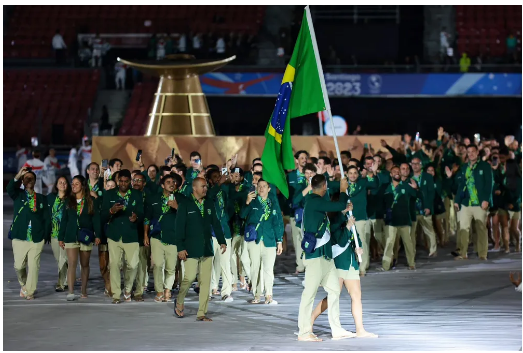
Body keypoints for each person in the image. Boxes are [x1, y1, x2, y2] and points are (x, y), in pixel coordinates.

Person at [297, 174, 355, 342]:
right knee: (309, 294)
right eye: (326, 187)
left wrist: (342, 207)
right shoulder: (313, 200)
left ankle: (336, 329)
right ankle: (304, 332)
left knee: (335, 291)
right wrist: (343, 190)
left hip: (325, 256)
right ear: (324, 187)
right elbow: (338, 203)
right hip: (315, 256)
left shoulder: (316, 201)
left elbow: (335, 207)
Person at [310, 197, 377, 338]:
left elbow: (356, 237)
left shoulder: (349, 218)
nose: (349, 205)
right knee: (332, 297)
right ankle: (309, 321)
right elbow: (339, 242)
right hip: (338, 263)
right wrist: (347, 226)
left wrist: (358, 248)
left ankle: (360, 329)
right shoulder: (333, 220)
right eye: (346, 203)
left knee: (356, 296)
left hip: (351, 263)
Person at [174, 177, 227, 321]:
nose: (205, 189)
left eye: (206, 186)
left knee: (205, 281)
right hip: (190, 248)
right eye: (203, 186)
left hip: (206, 248)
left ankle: (201, 313)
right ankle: (179, 300)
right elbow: (179, 228)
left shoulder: (209, 203)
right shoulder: (185, 204)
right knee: (189, 277)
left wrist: (222, 241)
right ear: (194, 188)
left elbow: (216, 223)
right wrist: (180, 247)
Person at [101, 169, 144, 304]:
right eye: (121, 181)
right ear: (118, 181)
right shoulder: (109, 194)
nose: (123, 184)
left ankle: (127, 289)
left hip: (131, 234)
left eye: (126, 181)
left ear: (130, 182)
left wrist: (136, 217)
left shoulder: (137, 194)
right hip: (114, 235)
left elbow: (142, 213)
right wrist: (111, 211)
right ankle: (116, 295)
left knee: (133, 265)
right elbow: (102, 215)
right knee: (114, 264)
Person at [8, 167, 51, 300]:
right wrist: (19, 173)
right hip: (20, 236)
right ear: (22, 181)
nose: (29, 180)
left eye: (31, 178)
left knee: (34, 266)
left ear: (35, 181)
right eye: (26, 178)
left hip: (36, 238)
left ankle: (30, 291)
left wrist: (45, 234)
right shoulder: (18, 195)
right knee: (18, 266)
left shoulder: (42, 199)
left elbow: (46, 218)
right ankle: (24, 286)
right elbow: (10, 188)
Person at [241, 179, 284, 304]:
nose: (261, 189)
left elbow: (278, 223)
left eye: (264, 186)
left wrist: (279, 241)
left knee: (268, 269)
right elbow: (242, 215)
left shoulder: (273, 203)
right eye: (259, 186)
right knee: (255, 268)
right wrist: (247, 202)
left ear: (269, 189)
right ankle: (257, 294)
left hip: (269, 240)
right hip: (254, 240)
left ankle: (268, 295)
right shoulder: (253, 202)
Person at [58, 175, 101, 301]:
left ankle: (83, 290)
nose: (74, 186)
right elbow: (64, 220)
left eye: (77, 184)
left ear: (83, 185)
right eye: (73, 184)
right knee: (72, 263)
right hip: (71, 236)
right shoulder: (68, 201)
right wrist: (61, 237)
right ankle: (71, 292)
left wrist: (97, 235)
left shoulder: (90, 201)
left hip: (86, 236)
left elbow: (96, 219)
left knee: (85, 264)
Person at [144, 174, 182, 302]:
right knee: (158, 265)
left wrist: (177, 207)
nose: (172, 184)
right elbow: (147, 218)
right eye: (168, 182)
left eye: (174, 182)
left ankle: (167, 290)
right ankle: (159, 291)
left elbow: (186, 218)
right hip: (157, 236)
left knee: (171, 267)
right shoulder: (153, 198)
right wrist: (145, 234)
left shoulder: (181, 199)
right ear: (162, 185)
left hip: (173, 236)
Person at [452, 145, 493, 260]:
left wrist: (486, 200)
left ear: (477, 152)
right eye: (468, 152)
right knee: (464, 228)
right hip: (466, 203)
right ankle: (463, 253)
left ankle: (482, 254)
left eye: (472, 152)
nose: (470, 154)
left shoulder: (484, 166)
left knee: (481, 228)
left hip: (479, 203)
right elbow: (461, 185)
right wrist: (457, 201)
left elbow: (489, 184)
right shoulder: (465, 167)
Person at [380, 166, 418, 271]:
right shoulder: (386, 188)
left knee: (408, 243)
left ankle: (411, 263)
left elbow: (417, 197)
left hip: (404, 219)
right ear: (391, 174)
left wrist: (416, 189)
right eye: (394, 172)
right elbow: (382, 203)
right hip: (391, 220)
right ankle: (386, 265)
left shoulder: (407, 186)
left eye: (398, 171)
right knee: (389, 243)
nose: (397, 173)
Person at [345, 162, 379, 276]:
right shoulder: (343, 184)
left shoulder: (363, 183)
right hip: (347, 218)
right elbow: (329, 185)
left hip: (360, 218)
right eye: (350, 173)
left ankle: (363, 267)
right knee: (348, 243)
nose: (353, 175)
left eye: (355, 173)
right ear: (347, 174)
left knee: (362, 243)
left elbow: (374, 184)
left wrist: (372, 173)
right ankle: (352, 265)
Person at [207, 169, 234, 302]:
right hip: (211, 233)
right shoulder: (207, 192)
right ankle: (209, 289)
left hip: (225, 232)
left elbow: (231, 207)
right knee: (209, 264)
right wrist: (218, 185)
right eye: (215, 177)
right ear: (210, 180)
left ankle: (226, 292)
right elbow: (209, 198)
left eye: (219, 177)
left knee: (225, 264)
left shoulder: (224, 192)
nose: (218, 179)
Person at [410, 157, 438, 257]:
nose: (415, 165)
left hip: (424, 208)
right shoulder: (409, 177)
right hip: (413, 209)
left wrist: (428, 206)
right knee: (412, 233)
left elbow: (431, 193)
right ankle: (411, 252)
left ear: (421, 165)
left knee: (429, 230)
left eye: (417, 163)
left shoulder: (427, 177)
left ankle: (433, 250)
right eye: (413, 163)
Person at [47, 176, 71, 292]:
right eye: (60, 182)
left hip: (66, 234)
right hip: (54, 234)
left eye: (65, 182)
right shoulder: (50, 198)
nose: (62, 184)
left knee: (63, 258)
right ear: (56, 185)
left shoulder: (70, 199)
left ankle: (61, 283)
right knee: (59, 259)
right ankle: (66, 279)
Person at [287, 150, 309, 274]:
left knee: (308, 237)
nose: (304, 160)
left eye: (305, 158)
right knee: (297, 239)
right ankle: (300, 266)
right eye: (301, 158)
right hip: (295, 212)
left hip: (309, 212)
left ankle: (309, 263)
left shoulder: (310, 175)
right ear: (296, 160)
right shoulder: (290, 176)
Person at [228, 167, 250, 290]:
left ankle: (243, 277)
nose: (235, 178)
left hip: (243, 225)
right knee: (231, 255)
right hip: (231, 226)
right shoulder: (227, 190)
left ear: (241, 178)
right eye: (233, 175)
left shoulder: (246, 190)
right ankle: (233, 281)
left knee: (243, 254)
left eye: (237, 176)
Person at [129, 172, 149, 301]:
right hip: (128, 233)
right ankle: (127, 289)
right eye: (134, 180)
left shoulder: (148, 198)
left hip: (142, 234)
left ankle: (138, 292)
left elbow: (147, 217)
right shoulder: (127, 196)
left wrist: (146, 235)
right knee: (129, 264)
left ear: (144, 183)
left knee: (142, 265)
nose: (136, 183)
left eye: (139, 180)